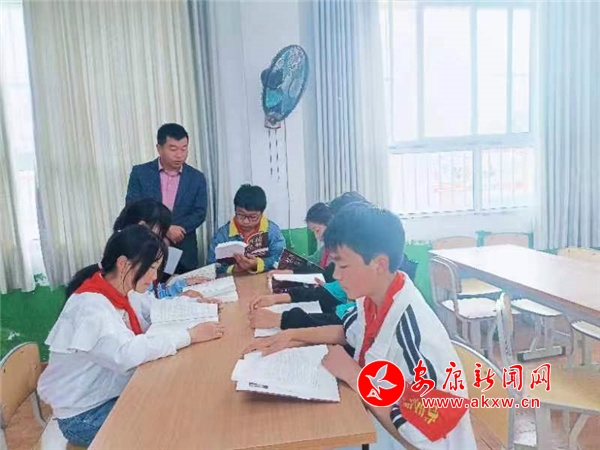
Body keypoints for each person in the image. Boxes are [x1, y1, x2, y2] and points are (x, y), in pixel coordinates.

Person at [244, 204, 476, 450]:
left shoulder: (414, 336)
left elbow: (426, 443)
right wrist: (292, 335)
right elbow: (348, 332)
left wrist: (355, 376)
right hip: (373, 422)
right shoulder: (374, 297)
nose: (336, 275)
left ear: (379, 264)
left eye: (343, 266)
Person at [38, 226, 224, 447]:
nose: (154, 277)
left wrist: (198, 306)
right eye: (151, 268)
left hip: (109, 395)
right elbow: (127, 354)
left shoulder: (122, 290)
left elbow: (156, 309)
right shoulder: (91, 306)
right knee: (174, 426)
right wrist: (189, 335)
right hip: (85, 415)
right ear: (124, 264)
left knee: (181, 403)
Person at [126, 123, 207, 273]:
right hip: (147, 248)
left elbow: (199, 212)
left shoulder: (197, 178)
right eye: (173, 149)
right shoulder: (140, 173)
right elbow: (133, 208)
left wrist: (178, 229)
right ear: (159, 148)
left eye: (184, 149)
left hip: (183, 251)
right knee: (150, 285)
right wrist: (164, 229)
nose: (179, 155)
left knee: (184, 286)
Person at [113, 199, 210, 300]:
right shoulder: (129, 262)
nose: (165, 241)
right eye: (162, 234)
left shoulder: (141, 254)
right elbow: (145, 305)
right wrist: (179, 299)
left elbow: (154, 294)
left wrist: (181, 285)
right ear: (143, 227)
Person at [207, 184, 285, 275]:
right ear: (235, 210)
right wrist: (232, 269)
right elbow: (211, 266)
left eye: (253, 217)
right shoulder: (222, 234)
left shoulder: (272, 231)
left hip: (263, 279)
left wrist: (258, 264)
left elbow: (280, 259)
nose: (246, 221)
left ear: (262, 213)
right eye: (241, 215)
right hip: (234, 280)